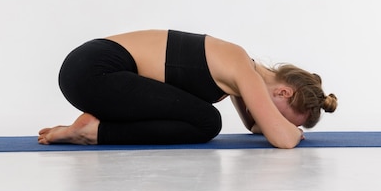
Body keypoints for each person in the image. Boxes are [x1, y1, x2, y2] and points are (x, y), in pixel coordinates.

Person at [38, 29, 337, 149]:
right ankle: (93, 132)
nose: (281, 122)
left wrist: (277, 124)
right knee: (207, 121)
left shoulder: (243, 68)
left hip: (89, 71)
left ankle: (95, 128)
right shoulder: (244, 70)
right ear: (284, 92)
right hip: (95, 71)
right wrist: (291, 132)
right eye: (286, 116)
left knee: (202, 118)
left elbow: (255, 124)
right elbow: (281, 140)